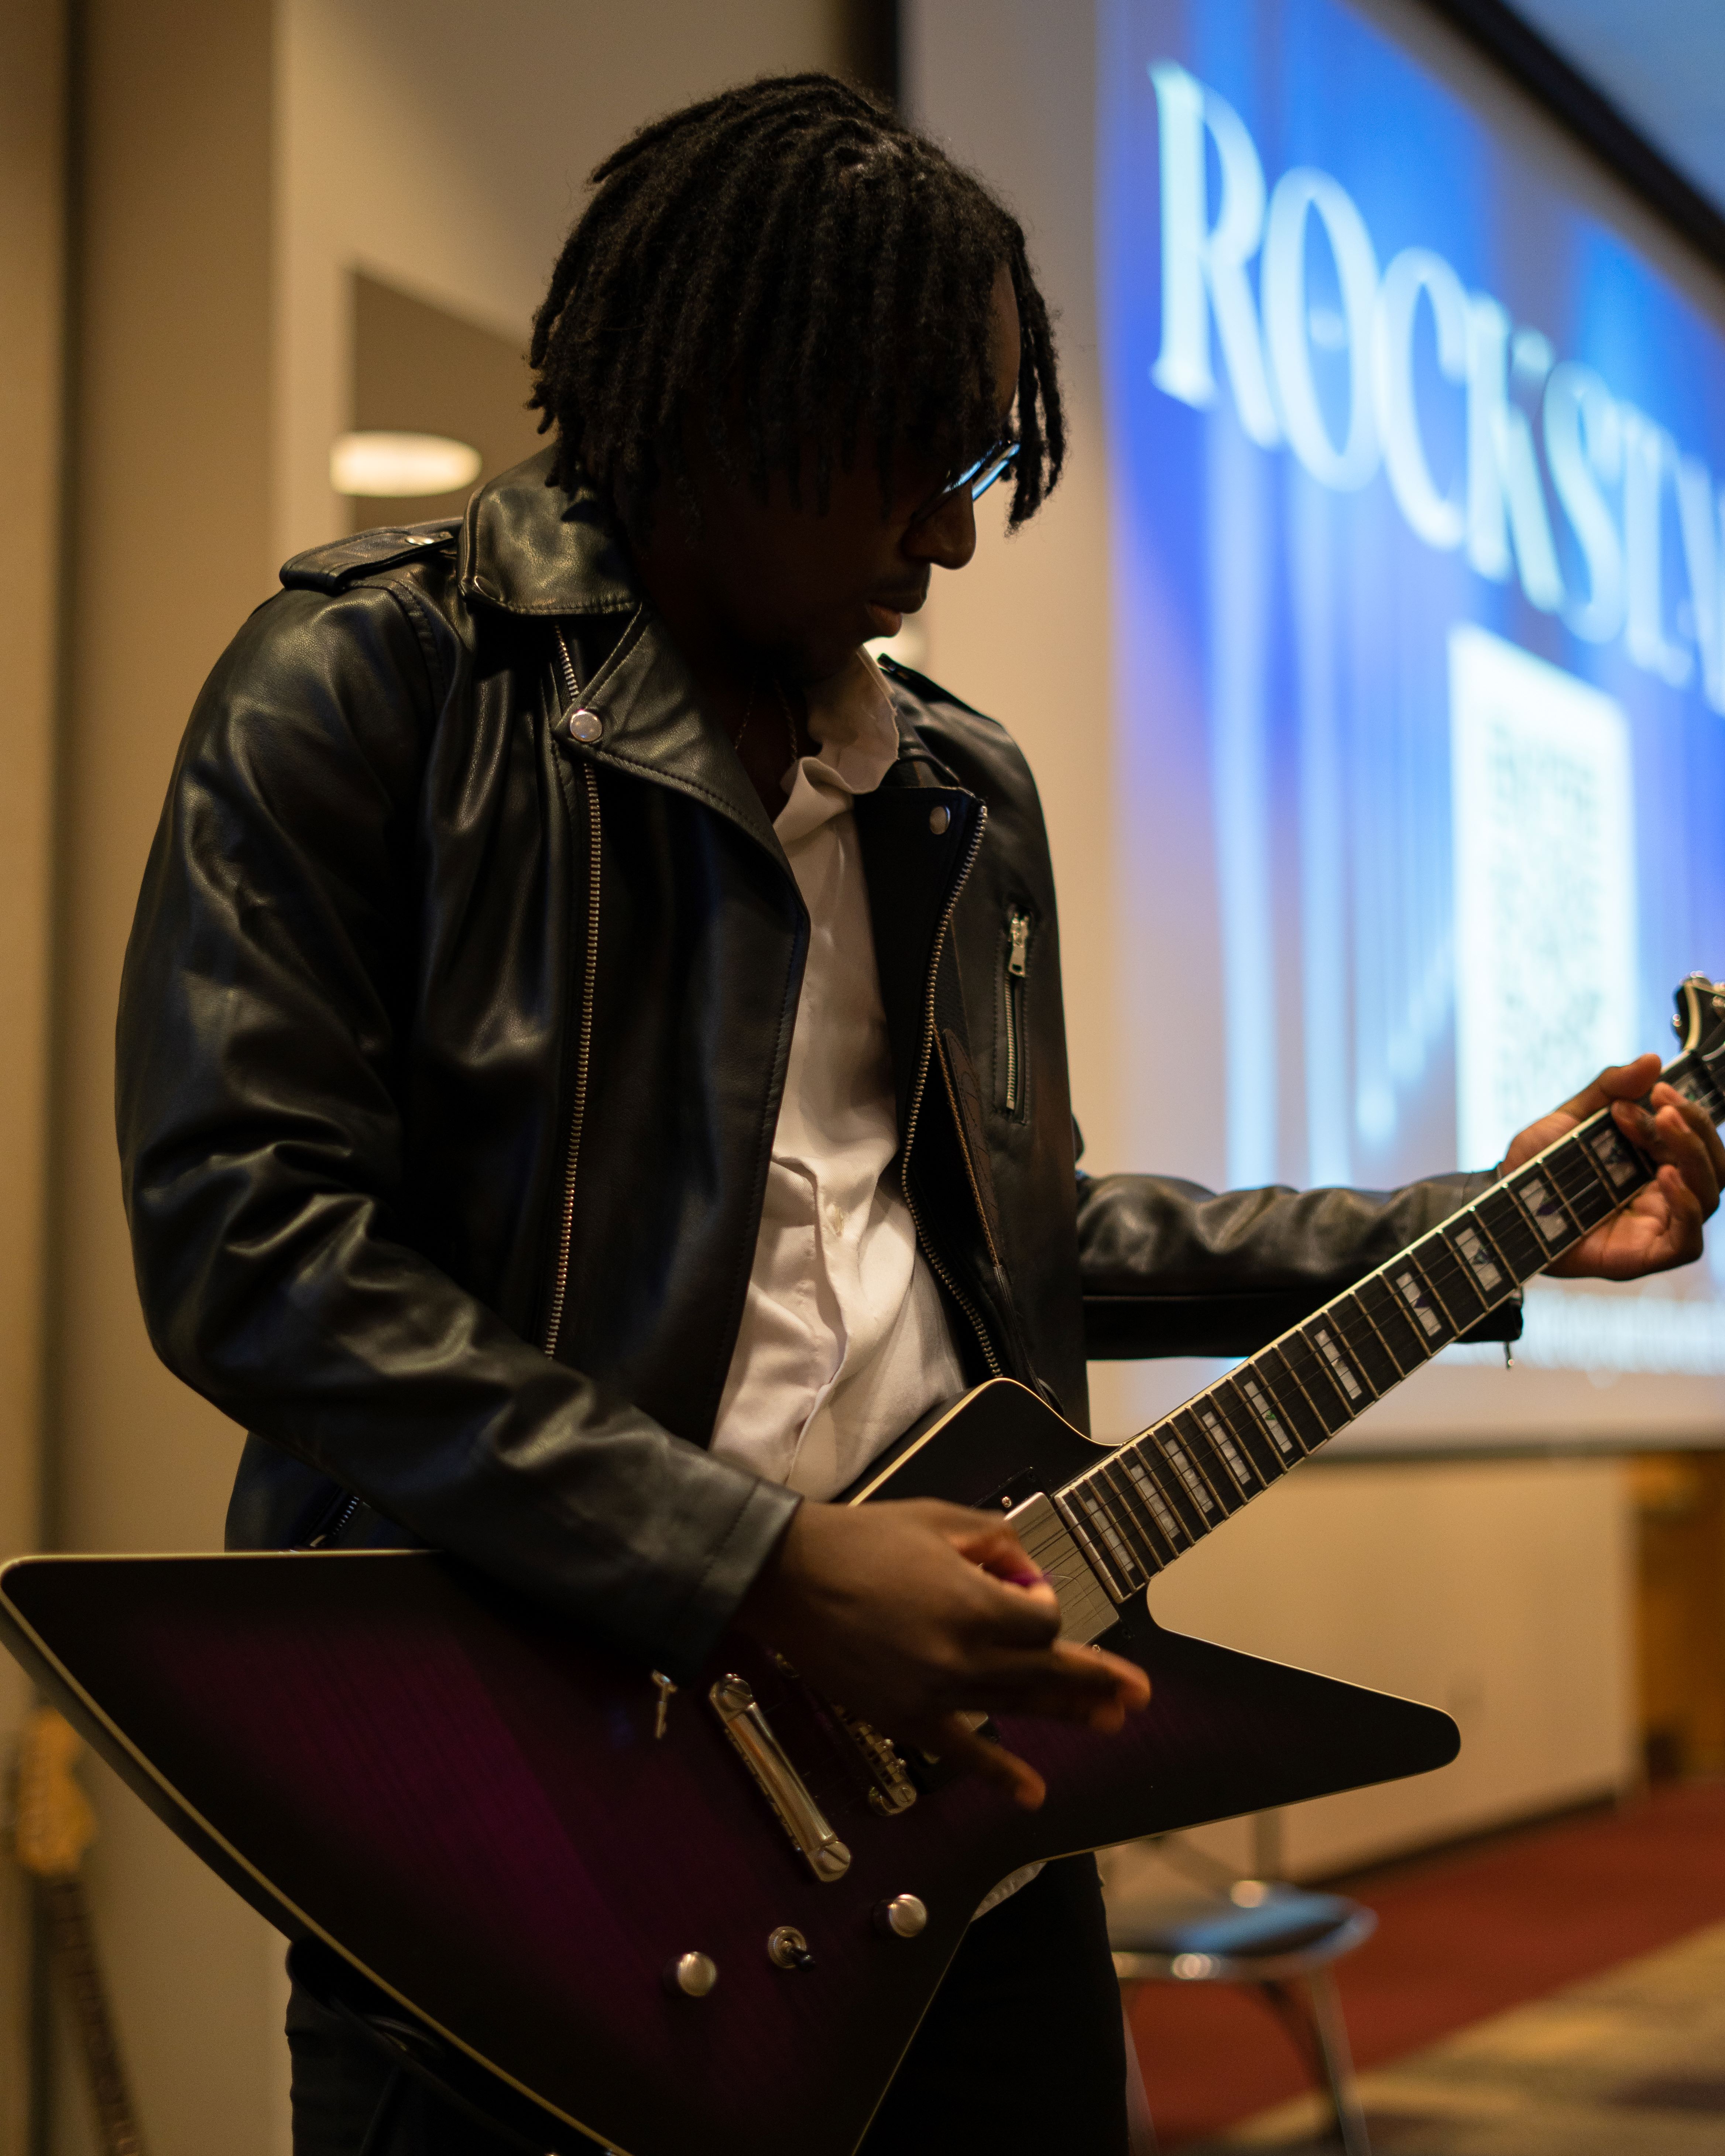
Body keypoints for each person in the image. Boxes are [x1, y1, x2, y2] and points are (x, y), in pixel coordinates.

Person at [116, 73, 1722, 2156]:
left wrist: (1476, 1225)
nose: (959, 532)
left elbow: (1021, 1240)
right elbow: (251, 1249)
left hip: (956, 1807)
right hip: (533, 1827)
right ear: (729, 395)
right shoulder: (363, 690)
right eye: (920, 460)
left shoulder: (958, 785)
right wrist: (757, 1565)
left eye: (985, 460)